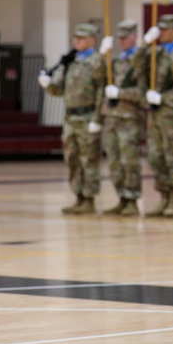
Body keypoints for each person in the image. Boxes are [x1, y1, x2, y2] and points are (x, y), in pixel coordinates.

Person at [38, 23, 106, 215]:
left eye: (82, 38)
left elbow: (102, 91)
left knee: (89, 160)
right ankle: (79, 197)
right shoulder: (70, 61)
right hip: (71, 117)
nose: (77, 41)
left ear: (92, 40)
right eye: (76, 37)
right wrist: (48, 85)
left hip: (88, 116)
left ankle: (90, 199)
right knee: (72, 159)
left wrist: (98, 119)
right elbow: (60, 90)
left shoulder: (97, 62)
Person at [140, 14, 173, 217]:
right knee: (156, 157)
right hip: (154, 113)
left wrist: (164, 98)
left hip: (171, 112)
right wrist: (145, 43)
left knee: (171, 157)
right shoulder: (154, 52)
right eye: (160, 29)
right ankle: (163, 197)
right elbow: (135, 64)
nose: (162, 33)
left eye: (166, 29)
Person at [99, 20, 146, 216]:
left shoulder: (140, 61)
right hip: (112, 118)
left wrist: (121, 93)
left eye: (125, 38)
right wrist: (102, 56)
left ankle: (133, 200)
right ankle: (121, 198)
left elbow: (143, 93)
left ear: (135, 37)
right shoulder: (115, 61)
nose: (121, 41)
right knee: (114, 162)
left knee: (130, 162)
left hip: (129, 119)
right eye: (119, 38)